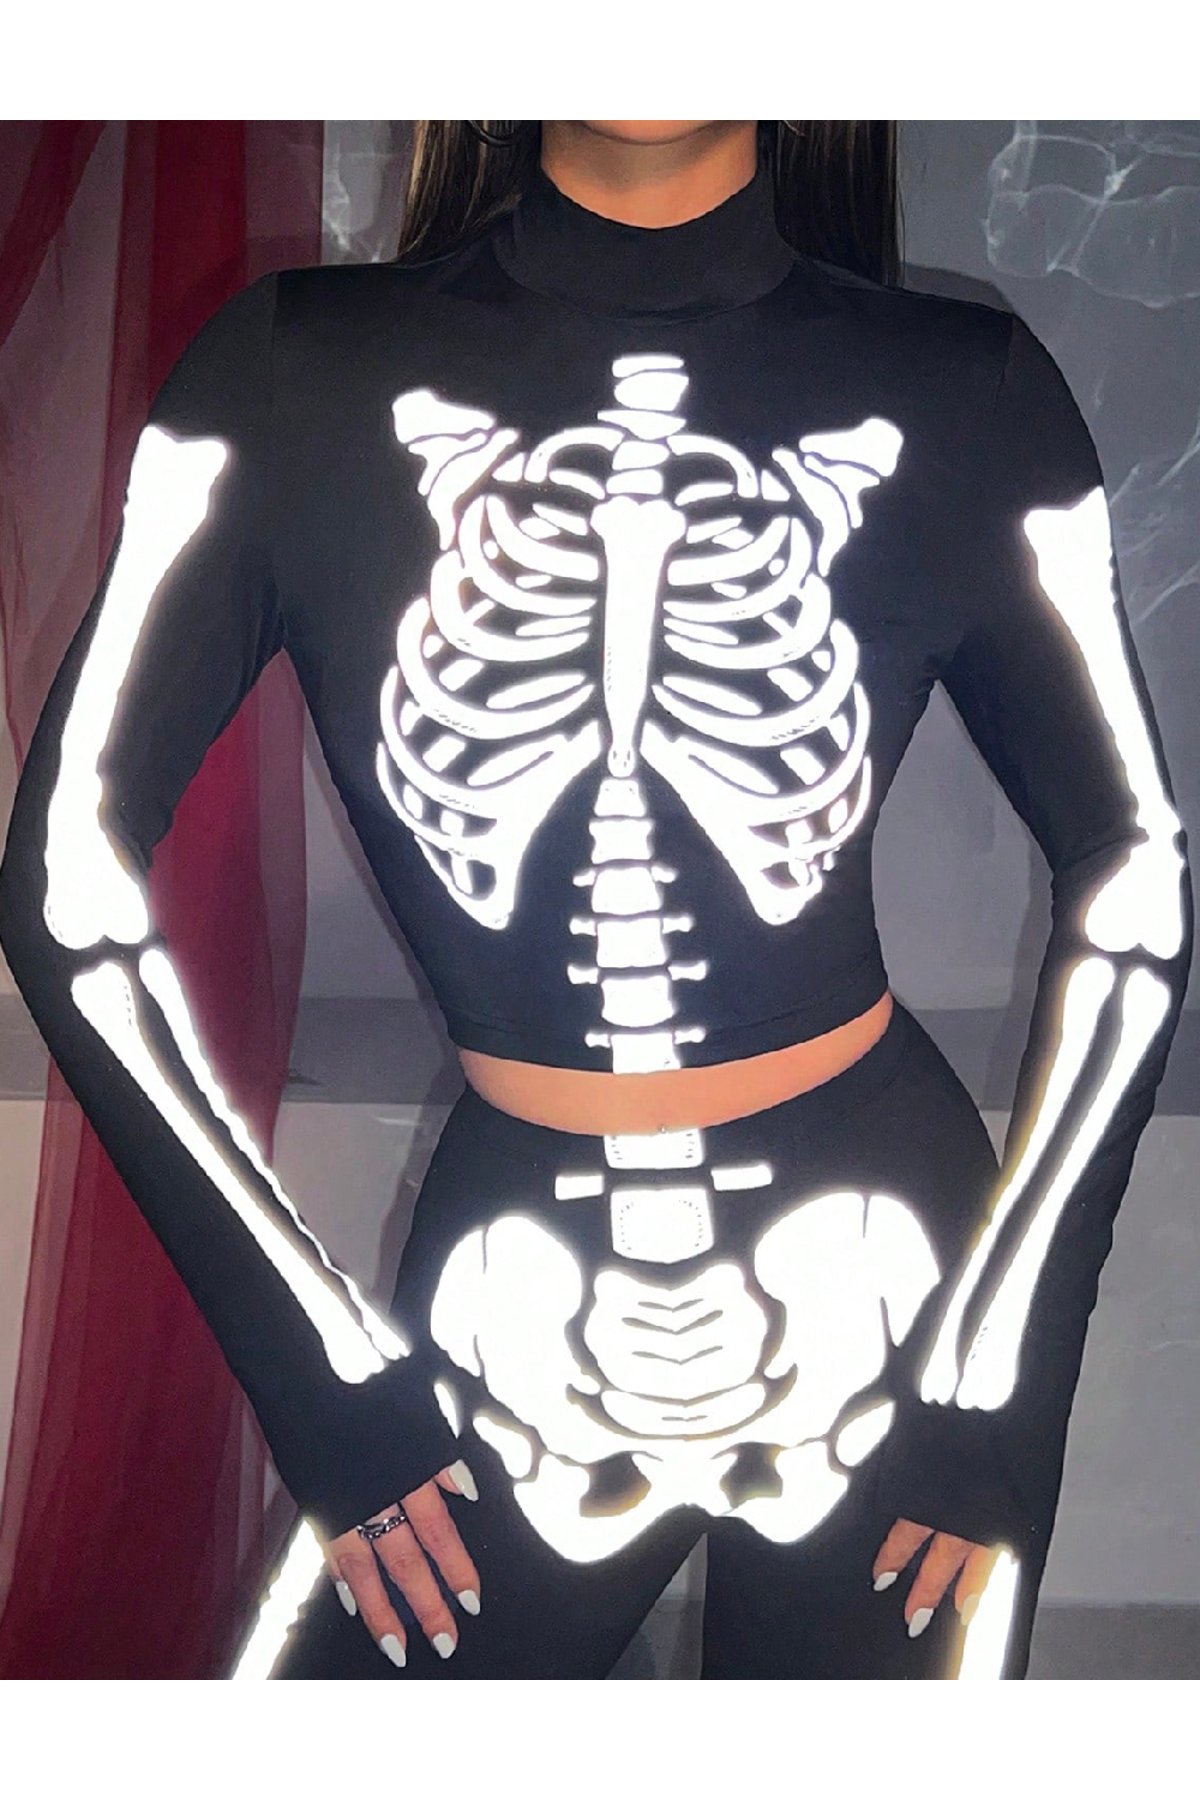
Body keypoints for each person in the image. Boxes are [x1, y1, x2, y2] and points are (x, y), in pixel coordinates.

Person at [0, 119, 1190, 1682]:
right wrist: (319, 1371)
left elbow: (1134, 865)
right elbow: (67, 881)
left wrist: (1005, 1366)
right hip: (510, 1276)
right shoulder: (289, 372)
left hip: (885, 1277)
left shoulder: (964, 385)